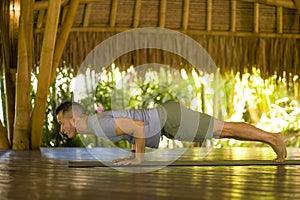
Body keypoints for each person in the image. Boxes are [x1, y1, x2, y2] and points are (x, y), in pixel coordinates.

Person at [55, 101, 287, 165]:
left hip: (171, 120)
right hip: (169, 122)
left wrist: (137, 159)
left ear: (73, 119)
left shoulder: (97, 125)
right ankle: (272, 139)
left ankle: (274, 138)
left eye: (61, 122)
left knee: (223, 128)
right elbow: (132, 130)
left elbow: (139, 127)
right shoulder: (96, 124)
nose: (61, 128)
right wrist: (133, 154)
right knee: (222, 132)